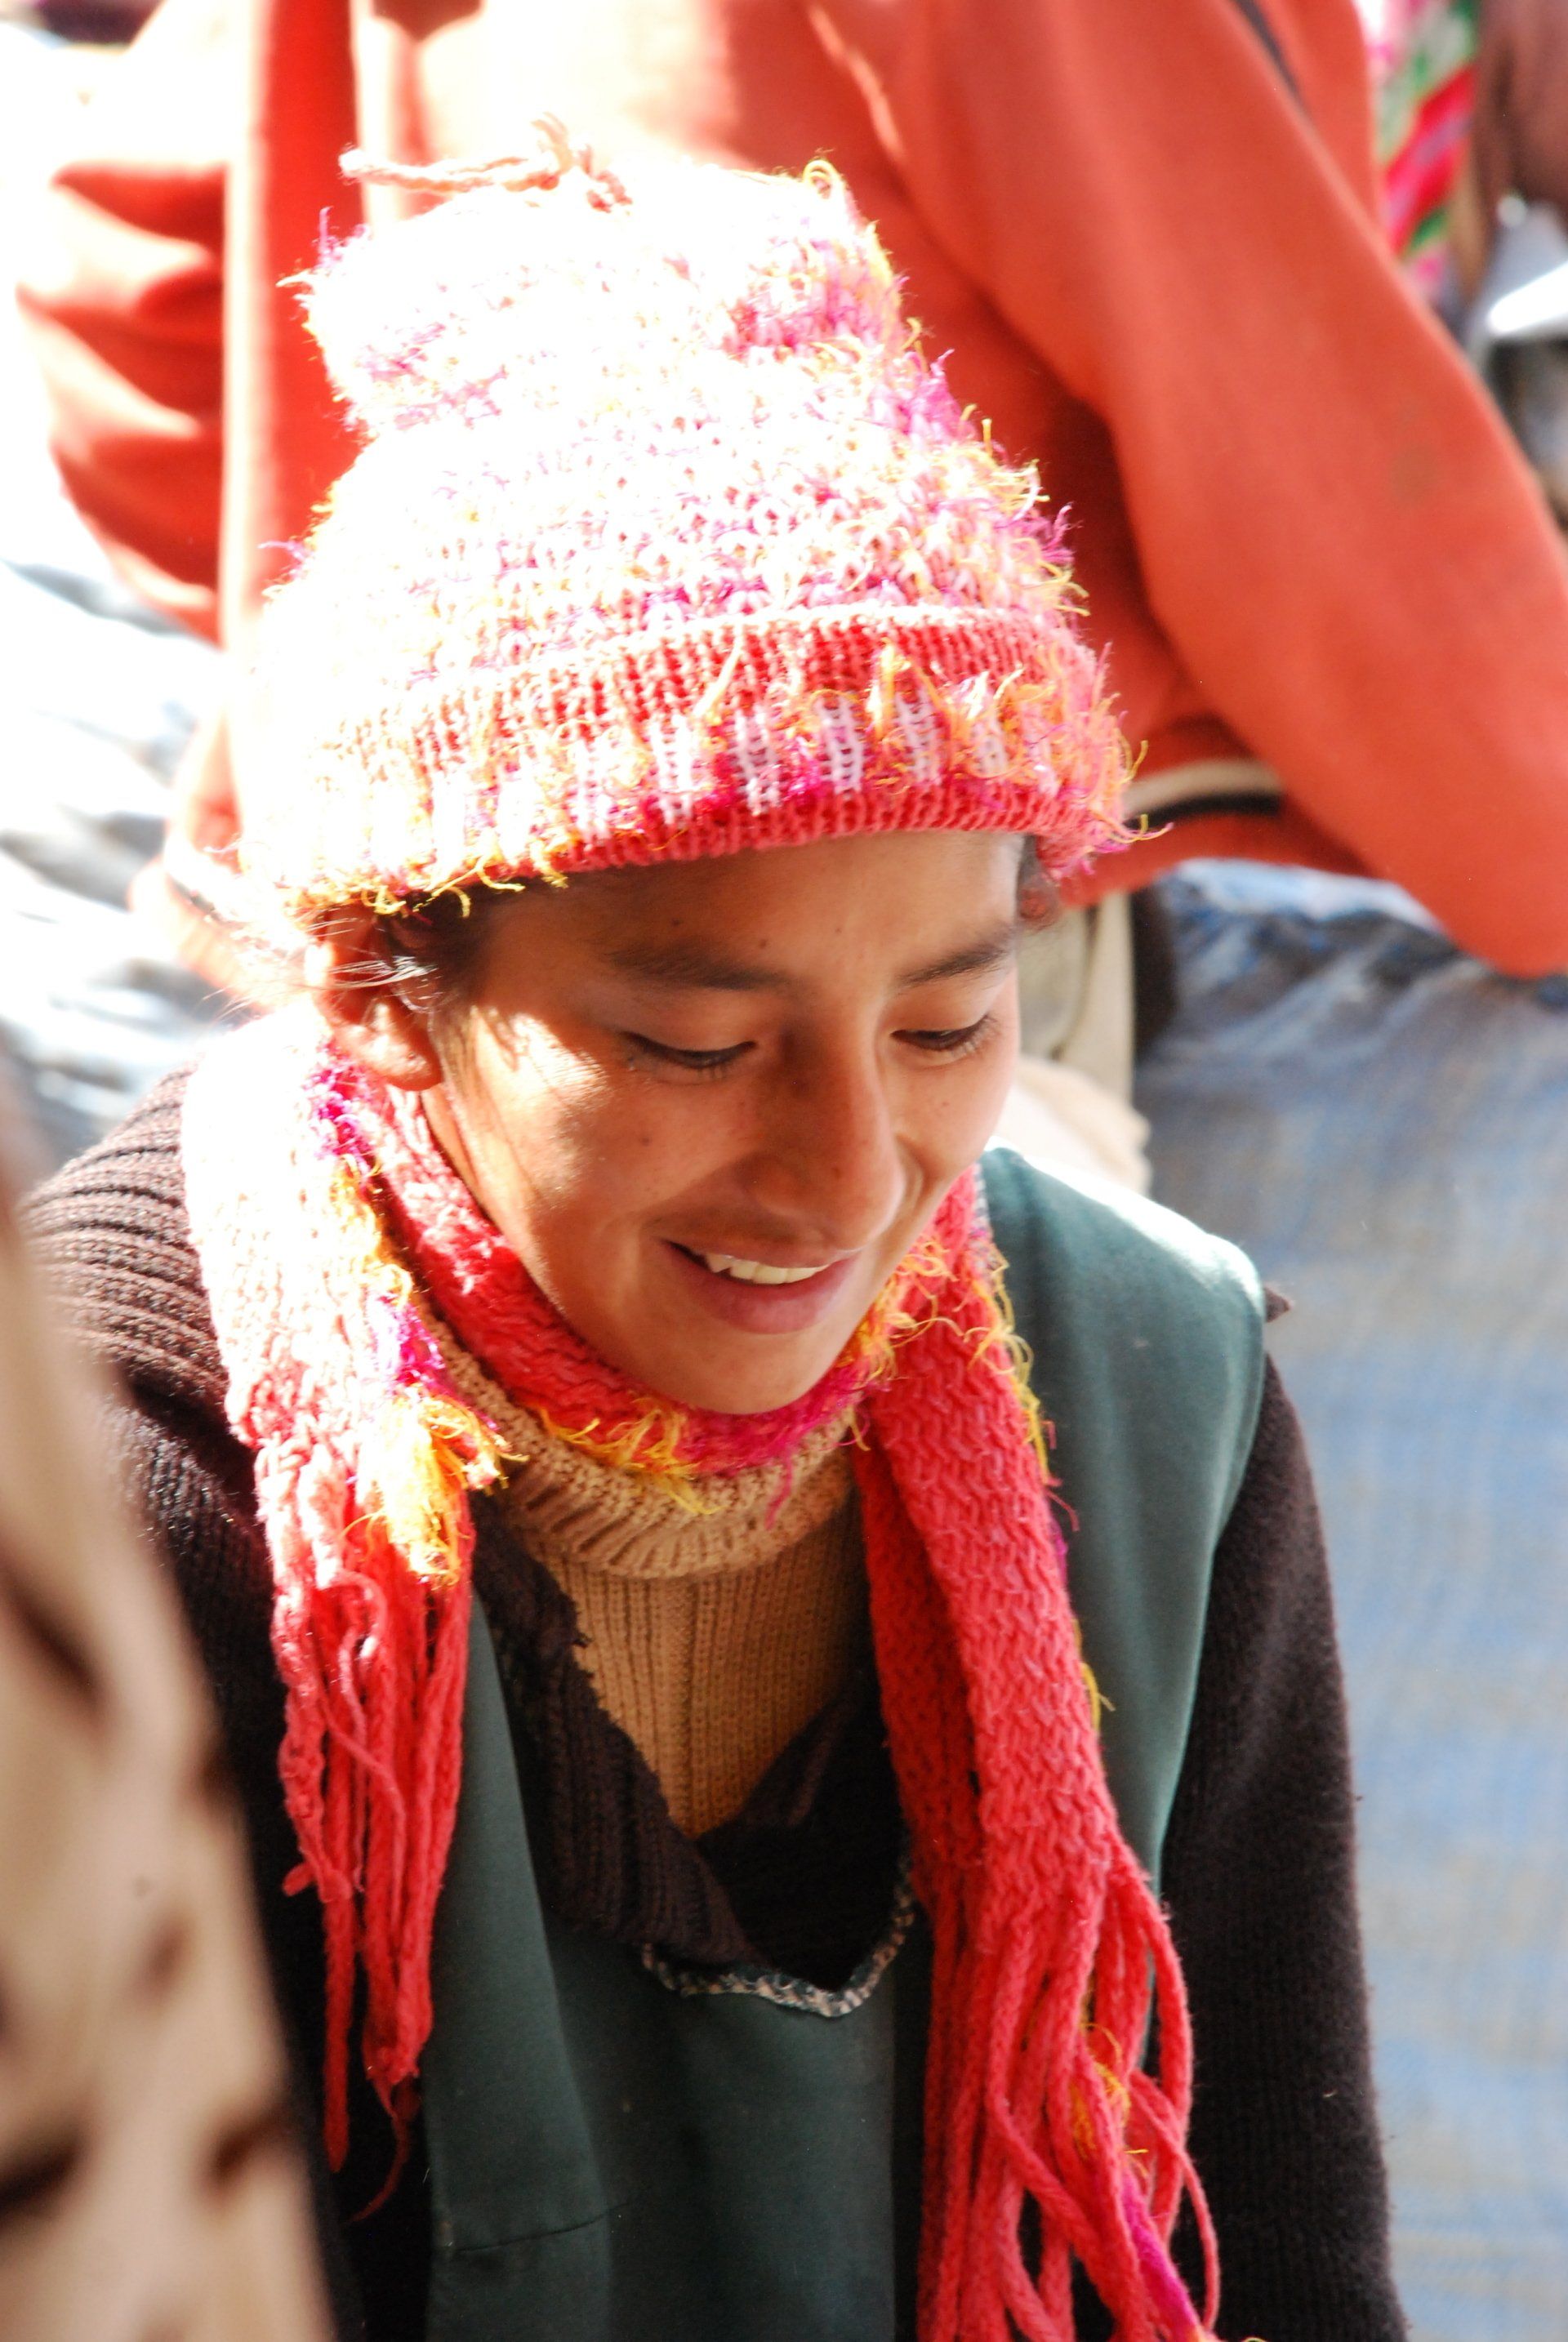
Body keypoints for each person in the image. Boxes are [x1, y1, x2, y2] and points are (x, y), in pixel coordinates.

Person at [25, 144, 1403, 2342]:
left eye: (947, 1022)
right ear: (383, 987)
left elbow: (1286, 2267)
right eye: (694, 1041)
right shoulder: (125, 1487)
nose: (850, 1175)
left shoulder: (1158, 1406)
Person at [18, 0, 1568, 994]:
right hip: (886, 900)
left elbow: (116, 287)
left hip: (407, 914)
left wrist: (414, 671)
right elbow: (1318, 494)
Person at [0, 1075, 328, 2342]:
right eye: (695, 1046)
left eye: (902, 1033)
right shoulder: (147, 1437)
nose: (852, 1180)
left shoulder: (945, 1309)